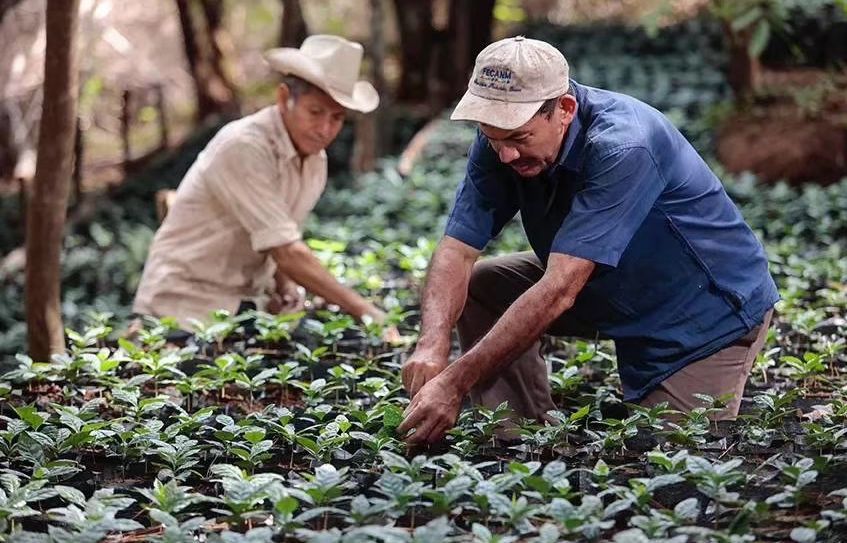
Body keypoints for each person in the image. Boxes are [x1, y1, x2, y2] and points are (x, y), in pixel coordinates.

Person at [398, 36, 778, 444]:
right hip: (609, 285)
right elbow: (457, 250)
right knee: (483, 286)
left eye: (519, 138)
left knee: (666, 459)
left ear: (564, 109)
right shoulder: (502, 139)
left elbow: (561, 287)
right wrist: (431, 344)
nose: (505, 154)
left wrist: (454, 382)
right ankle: (518, 435)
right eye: (494, 138)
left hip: (702, 311)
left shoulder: (624, 144)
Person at [133, 35, 395, 337]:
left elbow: (279, 234)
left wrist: (285, 284)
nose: (325, 129)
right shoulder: (244, 147)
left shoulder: (314, 162)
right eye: (315, 112)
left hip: (243, 307)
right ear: (284, 99)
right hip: (184, 308)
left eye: (337, 118)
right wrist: (365, 310)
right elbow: (287, 250)